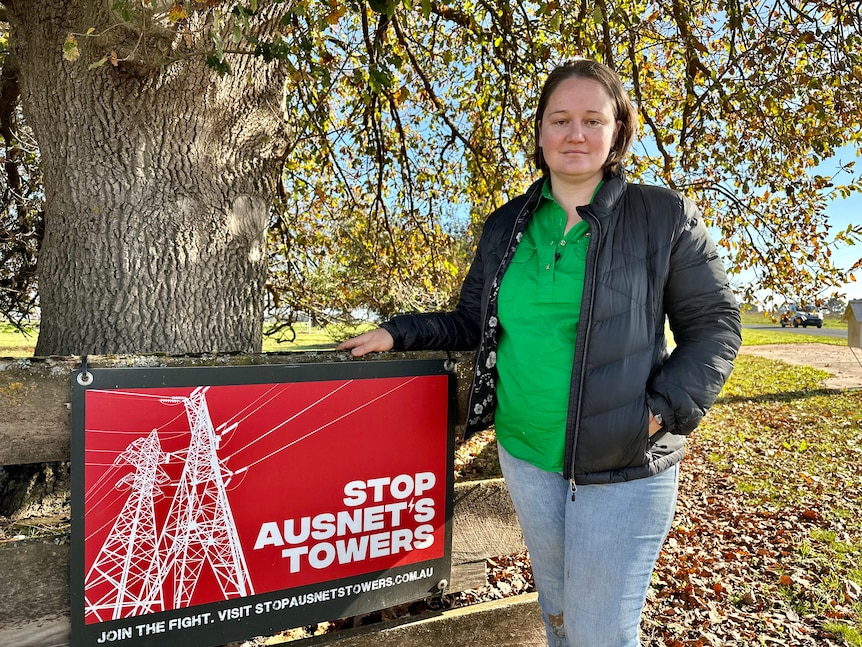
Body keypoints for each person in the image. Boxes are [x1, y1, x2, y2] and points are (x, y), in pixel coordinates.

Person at [337, 57, 742, 646]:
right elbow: (472, 320)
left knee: (600, 631)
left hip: (622, 459)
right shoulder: (506, 226)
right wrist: (398, 333)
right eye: (559, 119)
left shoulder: (661, 216)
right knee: (556, 614)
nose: (575, 133)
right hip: (527, 456)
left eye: (592, 120)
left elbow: (715, 326)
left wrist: (661, 411)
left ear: (617, 132)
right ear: (541, 133)